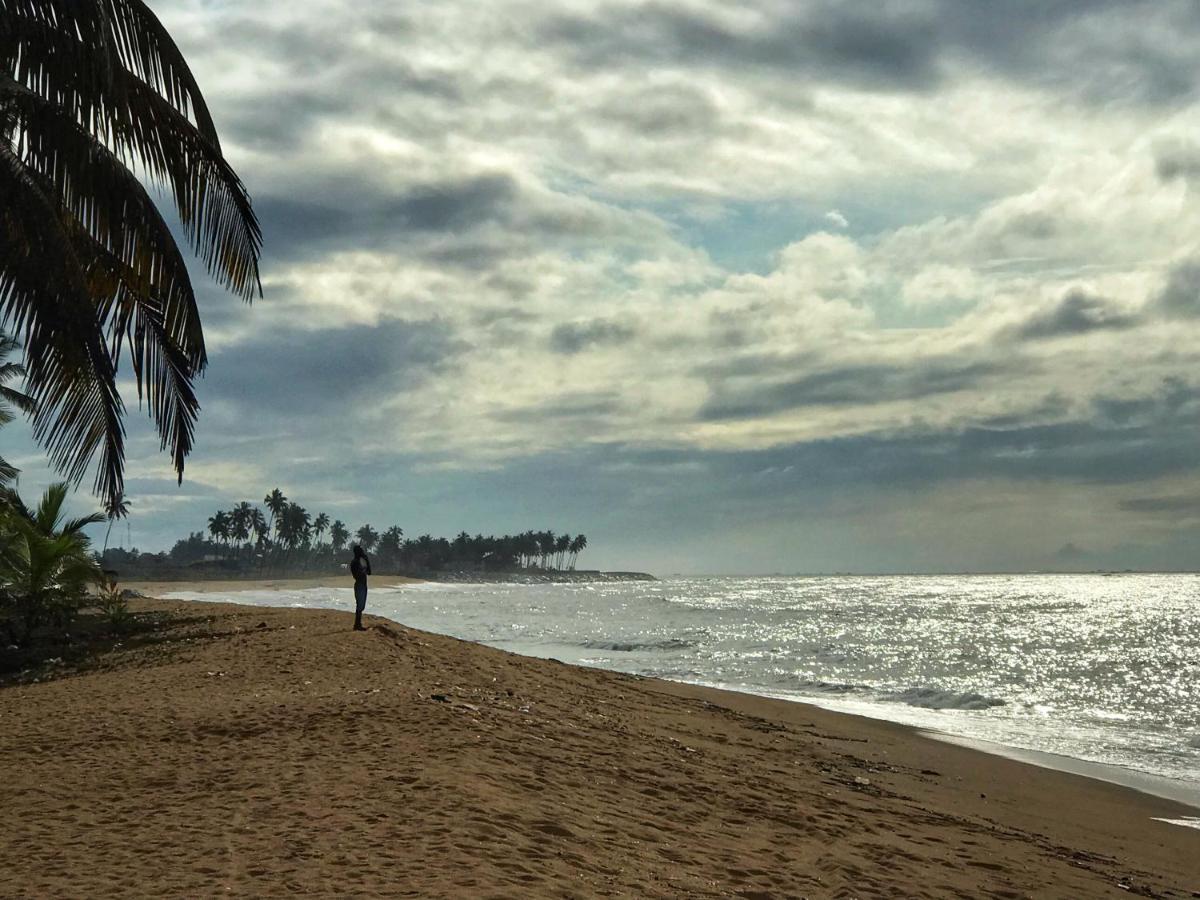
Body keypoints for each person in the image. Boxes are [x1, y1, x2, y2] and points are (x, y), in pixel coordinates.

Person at [350, 544, 371, 631]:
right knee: (359, 605)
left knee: (361, 606)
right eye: (361, 551)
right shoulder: (354, 563)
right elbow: (357, 575)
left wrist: (367, 560)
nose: (362, 552)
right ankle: (357, 625)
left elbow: (369, 572)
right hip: (359, 585)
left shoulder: (360, 562)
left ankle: (358, 624)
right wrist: (363, 570)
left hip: (363, 585)